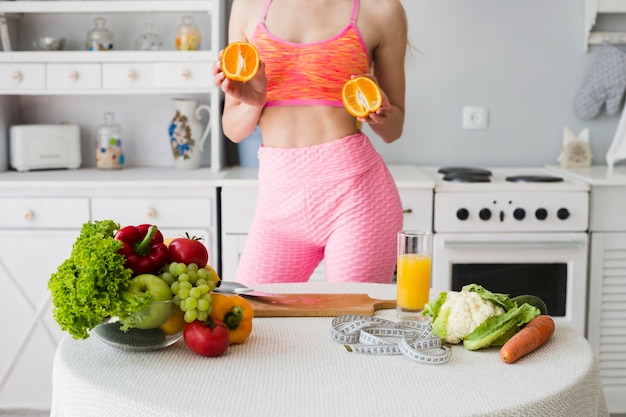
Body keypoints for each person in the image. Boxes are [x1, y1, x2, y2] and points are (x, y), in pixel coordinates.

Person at [213, 0, 408, 284]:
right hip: (277, 198)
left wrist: (381, 114)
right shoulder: (248, 6)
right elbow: (233, 129)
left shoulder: (380, 9)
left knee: (350, 322)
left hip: (355, 197)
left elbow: (394, 129)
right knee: (251, 313)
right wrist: (254, 102)